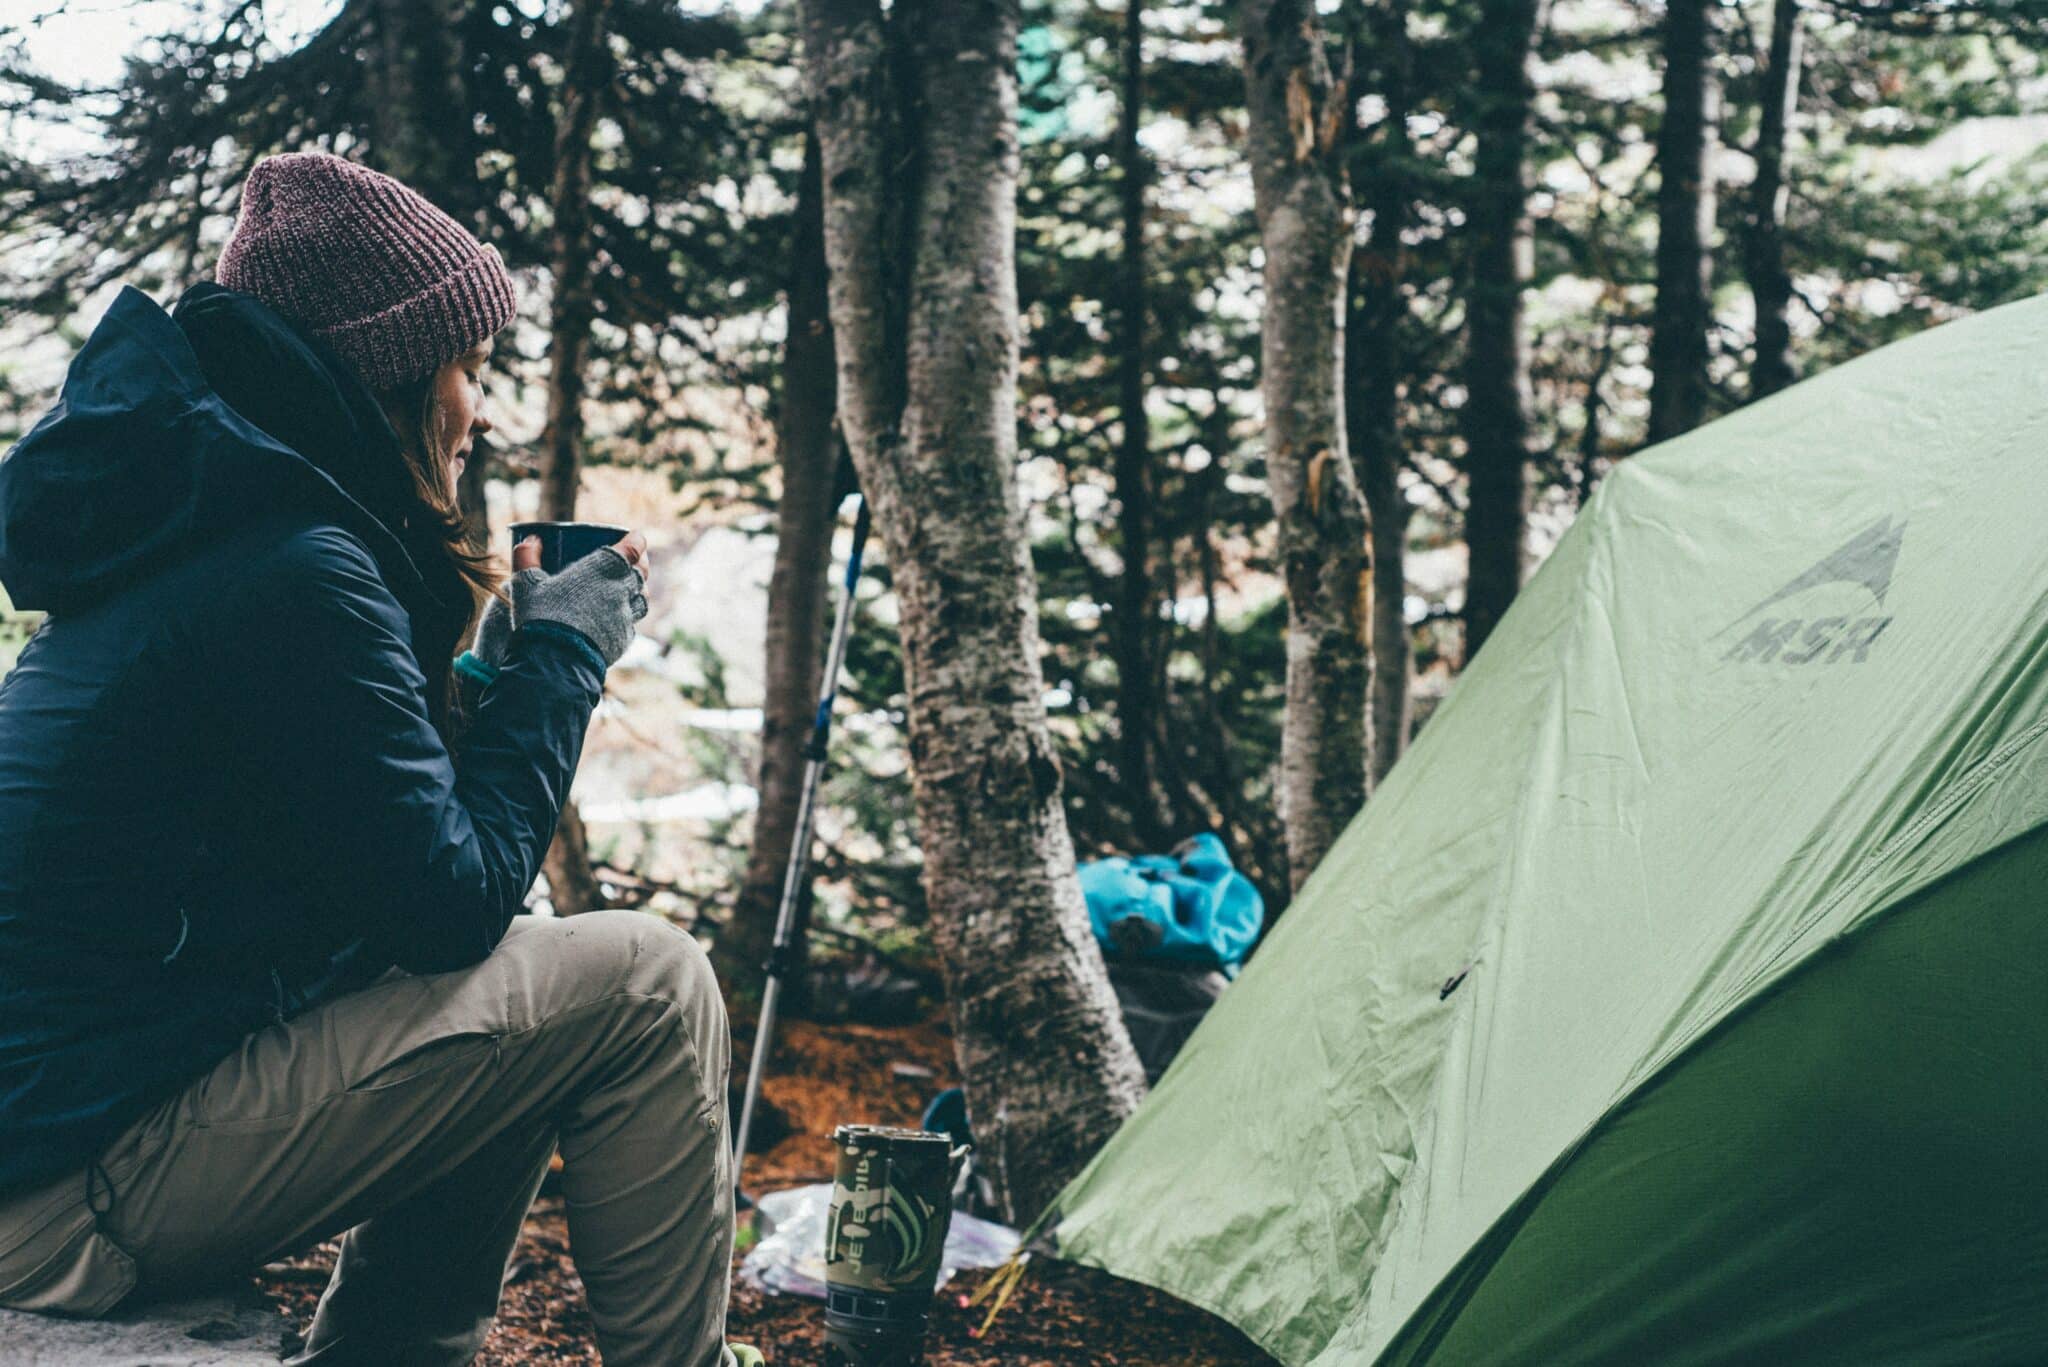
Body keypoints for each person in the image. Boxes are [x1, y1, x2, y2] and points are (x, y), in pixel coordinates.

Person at [0, 151, 749, 1366]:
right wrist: (562, 659)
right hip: (62, 1192)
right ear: (391, 372)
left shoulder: (209, 529)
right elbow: (445, 904)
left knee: (525, 985)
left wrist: (491, 679)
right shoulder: (295, 565)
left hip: (52, 1141)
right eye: (468, 368)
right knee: (645, 979)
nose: (482, 409)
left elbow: (374, 853)